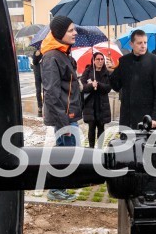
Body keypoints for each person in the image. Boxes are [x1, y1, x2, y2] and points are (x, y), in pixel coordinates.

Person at [41, 15, 81, 202]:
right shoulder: (52, 57)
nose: (75, 33)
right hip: (63, 117)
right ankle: (56, 189)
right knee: (64, 154)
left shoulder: (63, 54)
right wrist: (63, 122)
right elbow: (51, 94)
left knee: (66, 152)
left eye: (74, 29)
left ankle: (58, 187)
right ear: (59, 33)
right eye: (71, 30)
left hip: (68, 115)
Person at [110, 30, 156, 131]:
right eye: (139, 43)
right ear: (131, 44)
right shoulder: (124, 61)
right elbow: (116, 86)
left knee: (145, 146)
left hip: (147, 117)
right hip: (127, 117)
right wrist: (111, 71)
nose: (143, 46)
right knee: (126, 146)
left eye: (145, 42)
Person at [80, 52, 112, 147]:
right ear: (93, 60)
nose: (100, 61)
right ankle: (91, 148)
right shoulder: (88, 71)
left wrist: (98, 84)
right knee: (91, 127)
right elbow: (82, 87)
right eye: (98, 59)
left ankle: (100, 148)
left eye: (102, 59)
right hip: (91, 104)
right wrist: (91, 85)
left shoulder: (107, 72)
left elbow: (108, 87)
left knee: (101, 127)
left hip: (102, 104)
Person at [31, 48, 44, 116]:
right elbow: (34, 62)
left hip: (45, 74)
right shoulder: (36, 52)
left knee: (46, 90)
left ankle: (46, 105)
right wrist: (36, 56)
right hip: (38, 75)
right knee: (38, 91)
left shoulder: (46, 51)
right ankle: (40, 107)